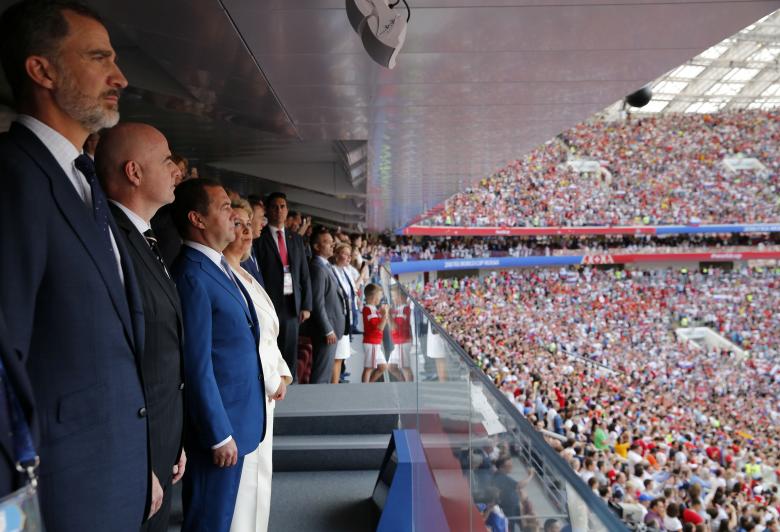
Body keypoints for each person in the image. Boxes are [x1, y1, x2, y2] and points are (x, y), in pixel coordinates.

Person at [0, 2, 149, 530]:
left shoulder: (80, 179)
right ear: (42, 70)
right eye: (98, 58)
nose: (120, 77)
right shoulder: (13, 178)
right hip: (60, 495)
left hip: (114, 475)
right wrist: (14, 512)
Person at [97, 122, 187, 531]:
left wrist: (174, 439)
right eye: (167, 161)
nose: (176, 171)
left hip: (161, 438)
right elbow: (114, 361)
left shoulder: (145, 238)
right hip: (136, 451)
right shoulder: (110, 240)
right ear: (134, 172)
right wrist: (139, 459)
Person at [171, 178, 266, 532]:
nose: (234, 216)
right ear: (197, 219)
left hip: (238, 418)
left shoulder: (217, 266)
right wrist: (218, 433)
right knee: (208, 522)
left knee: (222, 519)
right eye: (225, 208)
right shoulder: (192, 275)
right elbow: (196, 365)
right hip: (220, 429)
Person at [223, 199, 292, 532]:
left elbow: (268, 335)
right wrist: (272, 379)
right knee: (245, 487)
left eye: (250, 225)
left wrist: (281, 372)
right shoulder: (221, 275)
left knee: (260, 479)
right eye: (238, 224)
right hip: (247, 395)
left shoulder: (246, 273)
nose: (248, 232)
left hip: (265, 393)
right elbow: (244, 340)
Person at [254, 192, 312, 382]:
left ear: (287, 210)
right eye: (274, 207)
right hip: (270, 303)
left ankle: (291, 386)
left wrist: (306, 305)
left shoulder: (295, 239)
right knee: (271, 348)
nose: (279, 210)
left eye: (282, 206)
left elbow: (304, 273)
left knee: (290, 349)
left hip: (292, 303)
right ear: (267, 211)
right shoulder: (259, 239)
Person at [302, 227, 348, 384]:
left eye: (332, 241)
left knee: (326, 373)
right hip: (326, 331)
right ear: (316, 246)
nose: (332, 245)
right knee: (321, 375)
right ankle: (317, 399)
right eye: (327, 242)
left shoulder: (325, 265)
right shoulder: (317, 268)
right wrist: (327, 329)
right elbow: (317, 303)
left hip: (332, 329)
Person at [331, 242, 357, 383]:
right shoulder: (332, 271)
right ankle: (334, 385)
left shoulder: (345, 271)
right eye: (345, 254)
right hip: (338, 318)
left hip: (346, 317)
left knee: (341, 356)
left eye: (349, 255)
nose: (348, 257)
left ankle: (337, 380)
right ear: (336, 255)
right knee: (337, 356)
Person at [361, 283, 389, 383]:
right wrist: (385, 315)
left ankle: (369, 384)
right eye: (379, 296)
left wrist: (382, 315)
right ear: (373, 296)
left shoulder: (373, 309)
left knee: (383, 367)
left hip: (375, 343)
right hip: (371, 343)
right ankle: (365, 388)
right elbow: (380, 327)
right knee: (369, 368)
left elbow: (380, 325)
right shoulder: (368, 309)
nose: (380, 298)